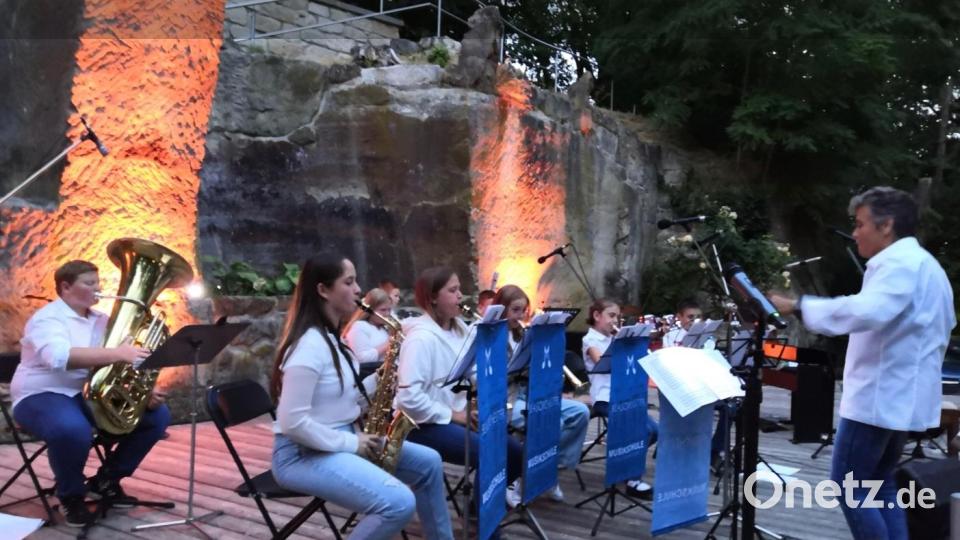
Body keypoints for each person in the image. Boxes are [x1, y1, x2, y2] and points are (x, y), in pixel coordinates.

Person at [771, 186, 955, 540]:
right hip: (898, 396)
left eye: (859, 224)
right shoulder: (927, 266)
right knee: (879, 485)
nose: (854, 233)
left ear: (886, 226)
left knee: (850, 487)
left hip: (878, 398)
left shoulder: (900, 265)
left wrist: (798, 305)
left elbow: (866, 311)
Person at [271, 254, 453, 540]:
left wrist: (383, 377)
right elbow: (292, 423)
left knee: (429, 463)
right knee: (398, 503)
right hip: (301, 455)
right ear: (323, 290)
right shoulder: (307, 347)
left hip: (336, 440)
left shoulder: (332, 338)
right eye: (349, 282)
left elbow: (342, 394)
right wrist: (352, 442)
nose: (358, 290)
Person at [11, 260, 170, 527]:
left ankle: (106, 480)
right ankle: (71, 496)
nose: (98, 288)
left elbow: (122, 362)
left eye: (98, 282)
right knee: (72, 429)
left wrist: (145, 389)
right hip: (40, 393)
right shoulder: (47, 319)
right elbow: (58, 358)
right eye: (89, 283)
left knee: (157, 417)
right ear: (66, 287)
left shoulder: (102, 320)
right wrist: (117, 353)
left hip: (86, 392)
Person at [395, 267, 524, 521]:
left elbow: (470, 374)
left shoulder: (461, 330)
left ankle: (479, 508)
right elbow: (409, 400)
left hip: (454, 416)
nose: (460, 296)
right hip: (419, 425)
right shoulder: (420, 339)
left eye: (459, 290)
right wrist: (456, 416)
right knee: (491, 452)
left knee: (515, 452)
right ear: (433, 297)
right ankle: (487, 521)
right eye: (453, 290)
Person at [492, 285, 590, 504]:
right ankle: (521, 479)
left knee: (581, 412)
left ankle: (548, 470)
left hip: (529, 393)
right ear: (501, 308)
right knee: (551, 422)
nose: (520, 316)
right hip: (507, 398)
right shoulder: (492, 335)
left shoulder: (523, 334)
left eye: (523, 310)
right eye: (515, 310)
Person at [582, 298, 658, 498]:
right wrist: (622, 345)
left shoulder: (613, 338)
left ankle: (625, 460)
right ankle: (633, 479)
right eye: (611, 316)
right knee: (642, 430)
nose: (615, 321)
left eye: (618, 317)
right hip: (604, 397)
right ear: (597, 316)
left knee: (655, 431)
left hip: (623, 395)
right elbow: (600, 361)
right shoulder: (590, 340)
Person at [343, 288, 392, 370]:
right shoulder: (359, 326)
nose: (387, 314)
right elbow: (361, 359)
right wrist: (388, 345)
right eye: (383, 310)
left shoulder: (385, 328)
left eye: (389, 310)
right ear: (370, 310)